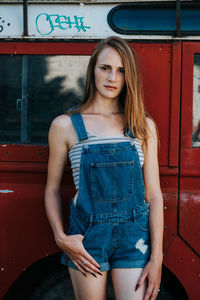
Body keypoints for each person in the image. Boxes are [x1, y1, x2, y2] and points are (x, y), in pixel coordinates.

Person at [44, 36, 164, 300]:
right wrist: (61, 237)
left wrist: (157, 257)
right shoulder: (65, 125)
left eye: (121, 71)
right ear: (93, 70)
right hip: (87, 237)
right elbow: (52, 190)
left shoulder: (143, 126)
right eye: (105, 68)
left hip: (135, 237)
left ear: (129, 76)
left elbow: (154, 194)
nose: (113, 78)